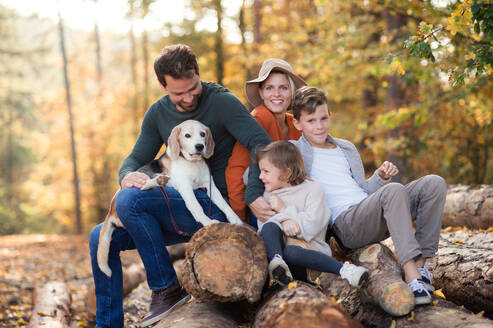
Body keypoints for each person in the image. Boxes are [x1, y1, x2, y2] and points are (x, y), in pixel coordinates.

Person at [88, 44, 271, 328]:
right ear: (163, 86)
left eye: (193, 88)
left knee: (128, 203)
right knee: (99, 235)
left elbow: (261, 143)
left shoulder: (222, 101)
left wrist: (254, 193)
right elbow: (136, 158)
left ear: (198, 75)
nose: (187, 98)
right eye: (178, 93)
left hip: (214, 205)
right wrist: (126, 175)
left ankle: (166, 287)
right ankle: (109, 324)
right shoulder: (157, 113)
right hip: (175, 205)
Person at [289, 86, 447, 305]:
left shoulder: (346, 148)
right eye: (311, 121)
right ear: (297, 123)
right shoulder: (293, 152)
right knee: (393, 191)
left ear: (330, 116)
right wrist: (298, 184)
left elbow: (363, 189)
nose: (319, 126)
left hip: (368, 210)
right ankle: (411, 276)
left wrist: (380, 177)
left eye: (323, 118)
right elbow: (255, 173)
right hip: (347, 226)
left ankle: (421, 268)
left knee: (433, 183)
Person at [255, 141, 369, 288]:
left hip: (309, 256)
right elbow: (264, 229)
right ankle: (278, 265)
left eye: (266, 171)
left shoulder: (313, 190)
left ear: (286, 173)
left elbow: (311, 227)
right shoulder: (268, 195)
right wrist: (284, 222)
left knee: (291, 252)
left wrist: (284, 211)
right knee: (270, 227)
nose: (260, 176)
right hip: (282, 257)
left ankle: (346, 271)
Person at [226, 58, 304, 224]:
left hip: (292, 204)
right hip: (262, 206)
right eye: (269, 88)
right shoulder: (258, 119)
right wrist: (240, 220)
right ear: (261, 93)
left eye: (283, 88)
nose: (276, 94)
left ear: (292, 92)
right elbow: (236, 170)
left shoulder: (296, 124)